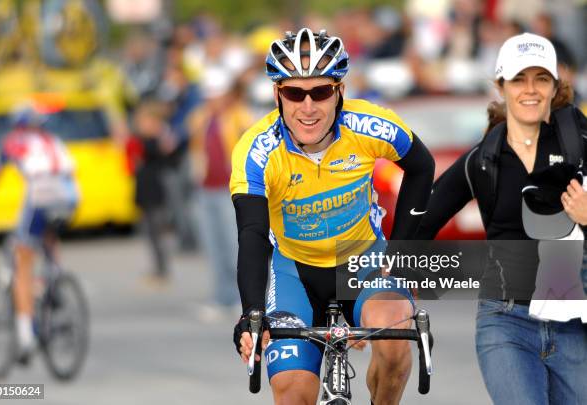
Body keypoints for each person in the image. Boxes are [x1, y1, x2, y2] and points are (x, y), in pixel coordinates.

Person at [230, 28, 434, 405]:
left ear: (339, 90)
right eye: (294, 93)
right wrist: (252, 313)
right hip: (295, 271)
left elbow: (422, 167)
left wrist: (403, 250)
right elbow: (253, 233)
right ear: (277, 95)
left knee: (393, 341)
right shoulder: (256, 151)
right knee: (292, 389)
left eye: (320, 92)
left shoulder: (369, 125)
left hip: (365, 261)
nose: (308, 107)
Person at [415, 33, 587, 404]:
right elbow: (421, 224)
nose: (530, 89)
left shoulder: (580, 144)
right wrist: (375, 274)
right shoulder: (482, 160)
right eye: (519, 79)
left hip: (576, 321)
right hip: (505, 320)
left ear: (555, 86)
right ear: (501, 85)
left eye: (541, 79)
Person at [0, 105, 79, 363]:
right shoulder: (53, 140)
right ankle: (54, 278)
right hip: (70, 195)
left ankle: (25, 336)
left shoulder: (12, 141)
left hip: (41, 193)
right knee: (48, 234)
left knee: (22, 259)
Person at [188, 66, 253, 320]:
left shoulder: (240, 116)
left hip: (231, 189)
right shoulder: (200, 117)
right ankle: (221, 297)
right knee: (214, 246)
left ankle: (243, 299)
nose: (212, 100)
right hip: (205, 188)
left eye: (216, 95)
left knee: (235, 245)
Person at [131, 98, 177, 282]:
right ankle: (158, 268)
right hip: (145, 190)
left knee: (157, 232)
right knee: (150, 233)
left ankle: (162, 269)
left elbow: (164, 160)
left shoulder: (156, 140)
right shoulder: (143, 139)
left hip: (156, 191)